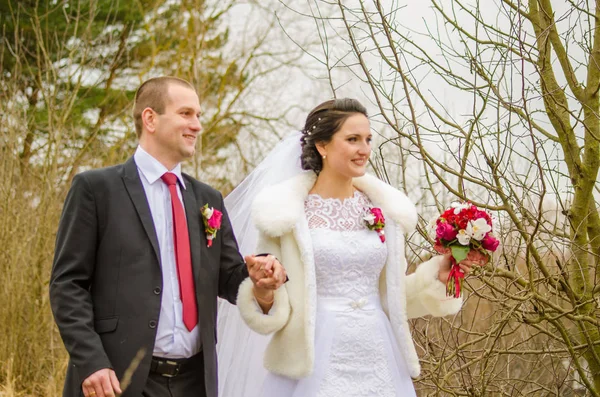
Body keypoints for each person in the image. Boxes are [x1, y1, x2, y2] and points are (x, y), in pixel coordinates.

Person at [49, 76, 286, 397]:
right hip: (117, 378)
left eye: (199, 115)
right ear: (150, 118)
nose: (197, 125)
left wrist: (259, 280)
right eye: (186, 114)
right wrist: (91, 361)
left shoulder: (208, 199)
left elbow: (229, 279)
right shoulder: (95, 189)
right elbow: (68, 284)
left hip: (195, 380)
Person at [227, 98, 475, 396]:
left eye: (368, 139)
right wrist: (264, 290)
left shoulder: (385, 210)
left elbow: (394, 298)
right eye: (353, 139)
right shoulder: (285, 216)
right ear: (322, 145)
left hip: (379, 354)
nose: (365, 149)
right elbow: (274, 305)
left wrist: (438, 277)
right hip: (314, 356)